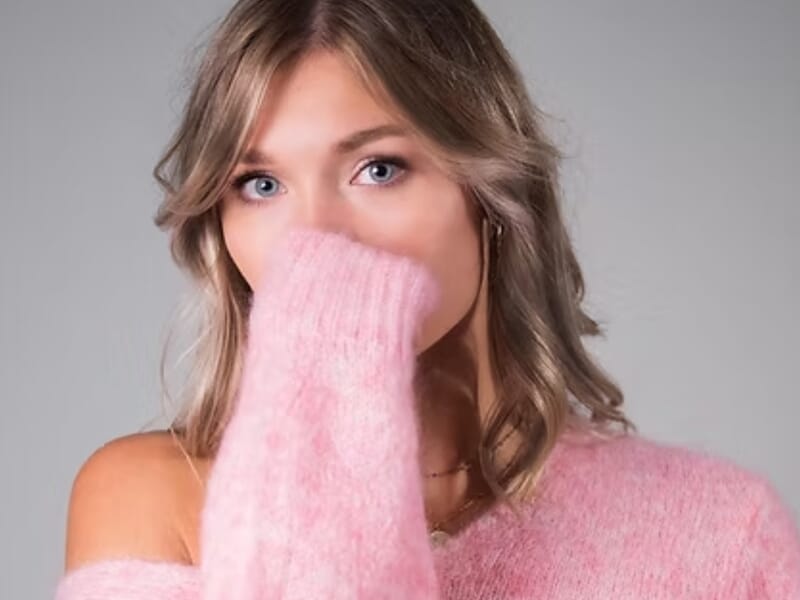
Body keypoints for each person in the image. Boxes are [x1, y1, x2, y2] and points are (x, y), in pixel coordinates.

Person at [55, 0, 800, 598]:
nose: (316, 237)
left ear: (489, 193)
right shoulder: (146, 497)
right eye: (261, 185)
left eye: (378, 169)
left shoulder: (718, 529)